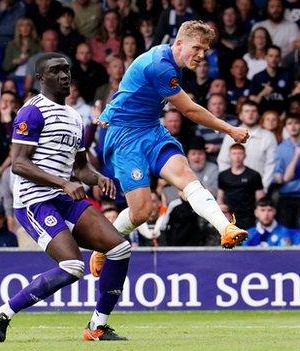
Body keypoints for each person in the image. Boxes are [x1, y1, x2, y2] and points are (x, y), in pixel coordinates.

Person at [0, 53, 130, 342]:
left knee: (120, 248)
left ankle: (97, 327)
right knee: (73, 266)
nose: (64, 75)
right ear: (41, 79)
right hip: (34, 201)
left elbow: (79, 167)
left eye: (66, 70)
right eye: (56, 71)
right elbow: (19, 164)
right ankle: (2, 312)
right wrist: (64, 183)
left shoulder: (75, 117)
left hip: (63, 197)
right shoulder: (31, 112)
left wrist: (98, 178)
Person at [91, 21, 250, 276]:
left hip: (152, 129)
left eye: (205, 50)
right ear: (178, 43)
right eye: (196, 48)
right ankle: (103, 246)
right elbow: (188, 110)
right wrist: (230, 130)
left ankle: (226, 228)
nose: (200, 55)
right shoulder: (160, 66)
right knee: (142, 212)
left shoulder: (174, 61)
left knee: (186, 176)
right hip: (125, 137)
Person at [217, 100, 277, 191]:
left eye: (253, 111)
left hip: (258, 189)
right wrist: (228, 184)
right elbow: (223, 161)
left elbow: (271, 165)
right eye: (247, 111)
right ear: (240, 115)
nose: (250, 114)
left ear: (258, 115)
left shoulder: (268, 136)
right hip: (233, 189)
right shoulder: (230, 135)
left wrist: (263, 188)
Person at [218, 143, 265, 229]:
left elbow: (260, 200)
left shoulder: (254, 175)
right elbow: (220, 198)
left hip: (249, 217)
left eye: (240, 153)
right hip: (230, 217)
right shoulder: (223, 175)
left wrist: (259, 215)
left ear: (245, 155)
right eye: (234, 153)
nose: (237, 157)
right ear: (229, 156)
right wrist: (222, 210)